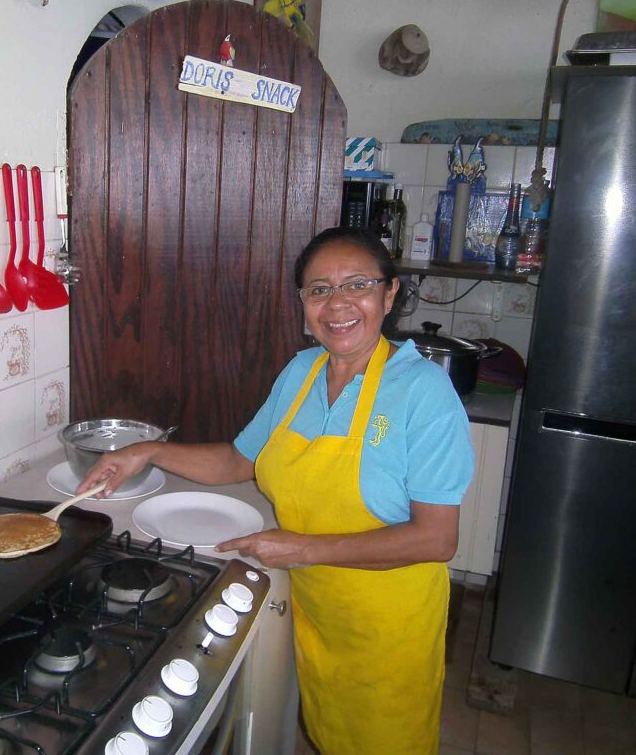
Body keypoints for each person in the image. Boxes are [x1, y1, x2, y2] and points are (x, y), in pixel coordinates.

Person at [78, 227, 474, 754]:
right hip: (319, 608)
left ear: (390, 293)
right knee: (330, 733)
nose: (338, 305)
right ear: (302, 303)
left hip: (388, 628)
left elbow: (436, 539)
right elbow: (240, 460)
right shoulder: (301, 373)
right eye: (319, 290)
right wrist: (147, 450)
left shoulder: (423, 391)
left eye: (357, 284)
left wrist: (301, 547)